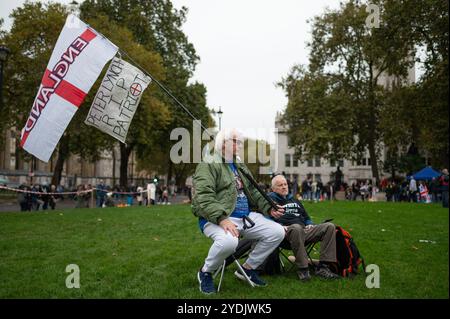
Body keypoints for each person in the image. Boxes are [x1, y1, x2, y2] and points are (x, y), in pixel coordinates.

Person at [192, 129, 285, 294]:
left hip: (245, 217)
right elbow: (203, 196)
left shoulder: (239, 164)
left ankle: (249, 268)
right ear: (223, 142)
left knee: (277, 232)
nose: (239, 145)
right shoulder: (208, 163)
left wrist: (270, 208)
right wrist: (221, 219)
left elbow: (254, 191)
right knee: (229, 242)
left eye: (240, 142)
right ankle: (206, 272)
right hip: (216, 218)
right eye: (235, 141)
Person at [269, 174, 339, 281]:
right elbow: (266, 220)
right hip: (285, 234)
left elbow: (306, 217)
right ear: (273, 189)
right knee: (296, 228)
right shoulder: (270, 201)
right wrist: (280, 227)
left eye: (285, 184)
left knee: (329, 227)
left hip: (304, 231)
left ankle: (323, 267)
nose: (284, 187)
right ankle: (303, 269)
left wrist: (309, 223)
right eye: (280, 185)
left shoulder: (294, 200)